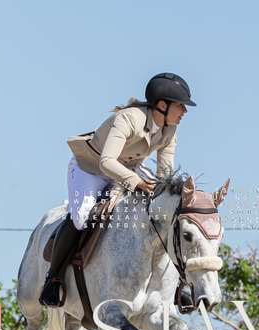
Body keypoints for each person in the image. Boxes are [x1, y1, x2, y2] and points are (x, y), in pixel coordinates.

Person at [39, 72, 196, 307]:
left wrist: (166, 194)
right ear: (162, 105)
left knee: (165, 210)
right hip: (90, 168)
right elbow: (106, 162)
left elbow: (165, 173)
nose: (184, 111)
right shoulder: (128, 119)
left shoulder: (169, 130)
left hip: (129, 168)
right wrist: (139, 183)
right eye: (180, 105)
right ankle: (53, 278)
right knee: (82, 218)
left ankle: (174, 284)